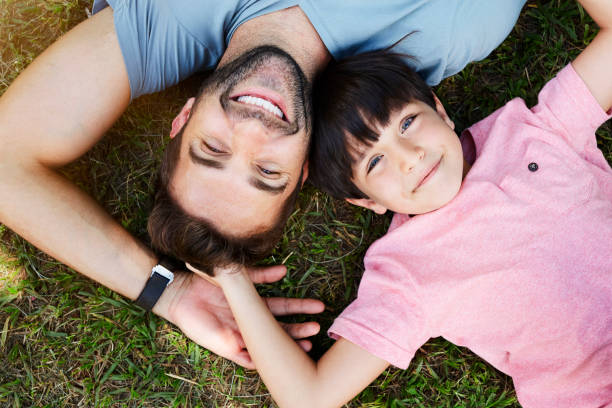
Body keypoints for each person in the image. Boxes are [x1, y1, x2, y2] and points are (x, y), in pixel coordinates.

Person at [0, 0, 526, 367]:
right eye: (267, 172)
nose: (251, 134)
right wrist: (177, 294)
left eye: (212, 150)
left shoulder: (165, 24)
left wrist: (162, 290)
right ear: (303, 169)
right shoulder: (441, 34)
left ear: (182, 119)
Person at [204, 0, 612, 406]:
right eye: (376, 161)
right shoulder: (407, 272)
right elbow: (310, 397)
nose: (410, 155)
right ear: (364, 200)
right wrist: (230, 275)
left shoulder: (534, 130)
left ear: (438, 109)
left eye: (407, 123)